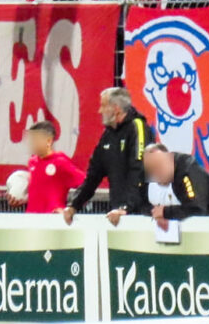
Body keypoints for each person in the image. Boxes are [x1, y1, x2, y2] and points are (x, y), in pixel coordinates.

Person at [62, 87, 153, 225]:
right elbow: (93, 175)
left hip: (140, 215)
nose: (100, 111)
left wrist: (126, 207)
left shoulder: (138, 127)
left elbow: (141, 170)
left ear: (116, 108)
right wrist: (74, 205)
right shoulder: (108, 135)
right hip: (116, 215)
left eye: (103, 106)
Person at [129, 143, 209, 227]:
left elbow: (197, 210)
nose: (156, 173)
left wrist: (165, 212)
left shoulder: (187, 171)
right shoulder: (147, 180)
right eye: (151, 169)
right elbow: (139, 204)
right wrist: (153, 212)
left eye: (159, 166)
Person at [15, 119, 87, 214]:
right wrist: (21, 199)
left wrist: (71, 208)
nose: (31, 143)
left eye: (35, 139)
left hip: (53, 222)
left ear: (48, 141)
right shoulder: (32, 162)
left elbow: (87, 184)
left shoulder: (60, 162)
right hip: (31, 220)